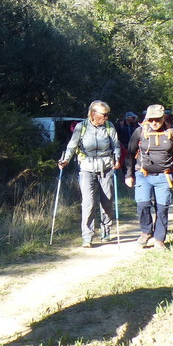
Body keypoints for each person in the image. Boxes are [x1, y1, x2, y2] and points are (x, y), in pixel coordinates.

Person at [125, 104, 173, 251]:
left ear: (163, 118)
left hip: (164, 177)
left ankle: (159, 239)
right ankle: (146, 232)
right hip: (143, 175)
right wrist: (128, 174)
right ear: (147, 118)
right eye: (151, 119)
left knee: (162, 208)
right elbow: (129, 153)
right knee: (143, 205)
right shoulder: (139, 132)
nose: (154, 122)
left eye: (157, 119)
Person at [59, 100, 120, 248]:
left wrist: (117, 159)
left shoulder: (109, 126)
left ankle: (106, 231)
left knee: (107, 201)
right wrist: (65, 160)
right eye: (103, 115)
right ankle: (87, 236)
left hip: (106, 168)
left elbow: (116, 145)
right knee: (88, 203)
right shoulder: (82, 127)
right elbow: (72, 146)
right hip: (86, 168)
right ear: (93, 113)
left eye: (107, 115)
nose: (106, 117)